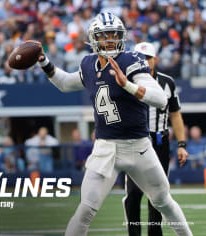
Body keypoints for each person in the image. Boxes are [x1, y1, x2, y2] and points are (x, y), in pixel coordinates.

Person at [32, 12, 192, 235]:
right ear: (93, 38)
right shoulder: (88, 64)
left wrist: (128, 85)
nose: (109, 40)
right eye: (104, 35)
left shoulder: (131, 60)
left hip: (139, 147)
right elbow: (66, 83)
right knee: (85, 209)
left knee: (163, 201)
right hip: (105, 148)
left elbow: (160, 98)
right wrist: (44, 62)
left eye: (113, 35)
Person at [123, 42, 189, 236]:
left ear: (155, 60)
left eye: (148, 58)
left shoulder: (167, 82)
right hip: (135, 140)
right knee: (134, 193)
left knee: (158, 194)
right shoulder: (126, 80)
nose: (145, 61)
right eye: (140, 58)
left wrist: (182, 144)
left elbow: (175, 114)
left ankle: (155, 234)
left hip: (160, 141)